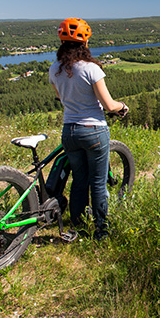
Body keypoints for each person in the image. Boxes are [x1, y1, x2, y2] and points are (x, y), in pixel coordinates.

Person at [48, 17, 128, 240]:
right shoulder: (91, 69)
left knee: (79, 181)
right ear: (84, 43)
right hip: (93, 131)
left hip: (69, 132)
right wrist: (123, 107)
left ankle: (78, 227)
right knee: (98, 183)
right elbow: (109, 105)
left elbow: (61, 98)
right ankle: (102, 231)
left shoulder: (54, 69)